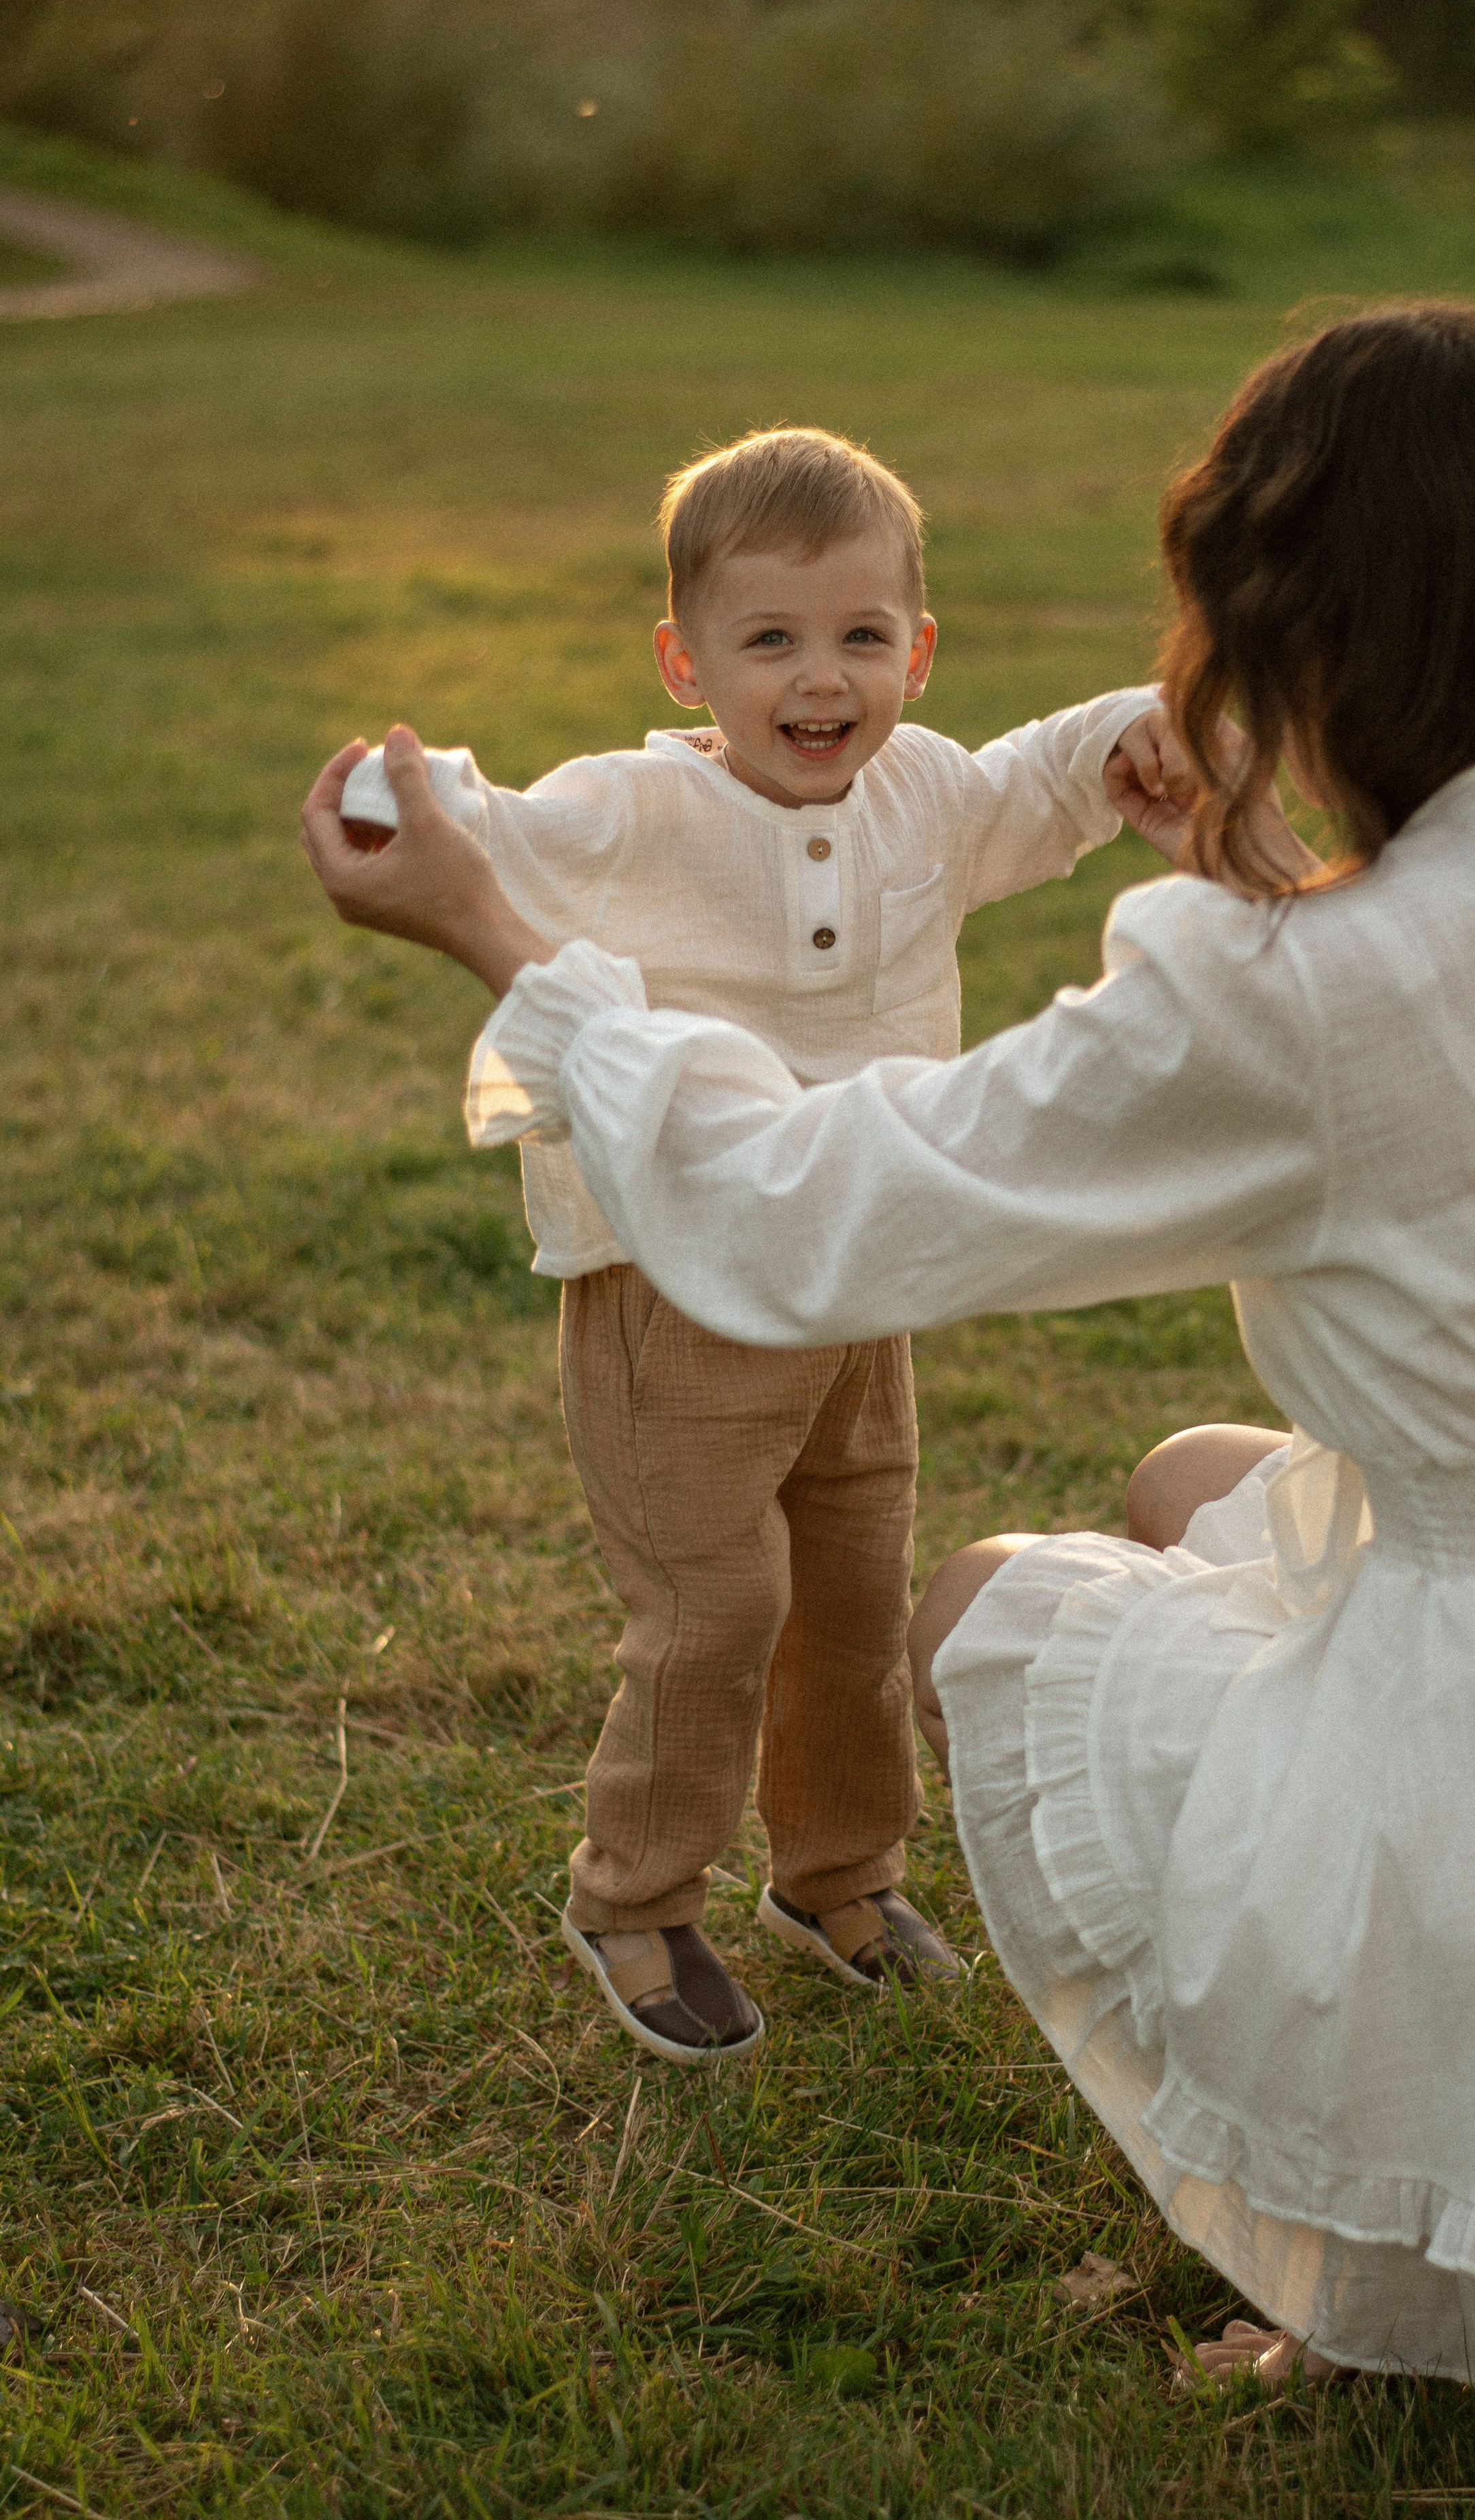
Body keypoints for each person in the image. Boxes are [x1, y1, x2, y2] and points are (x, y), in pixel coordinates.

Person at [302, 301, 1475, 2469]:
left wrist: (506, 947)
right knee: (1187, 1478)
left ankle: (1390, 2217)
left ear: (1278, 629)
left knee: (975, 1601)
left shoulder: (1284, 996)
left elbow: (807, 1205)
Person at [315, 424, 1189, 2064]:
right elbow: (501, 833)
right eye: (769, 639)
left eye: (860, 635)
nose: (819, 677)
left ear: (916, 654)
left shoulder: (927, 797)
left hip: (859, 1271)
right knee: (714, 1609)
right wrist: (402, 792)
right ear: (687, 661)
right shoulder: (637, 807)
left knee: (850, 1601)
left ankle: (838, 1873)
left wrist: (1133, 730)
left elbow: (1040, 784)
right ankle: (636, 1898)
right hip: (677, 1284)